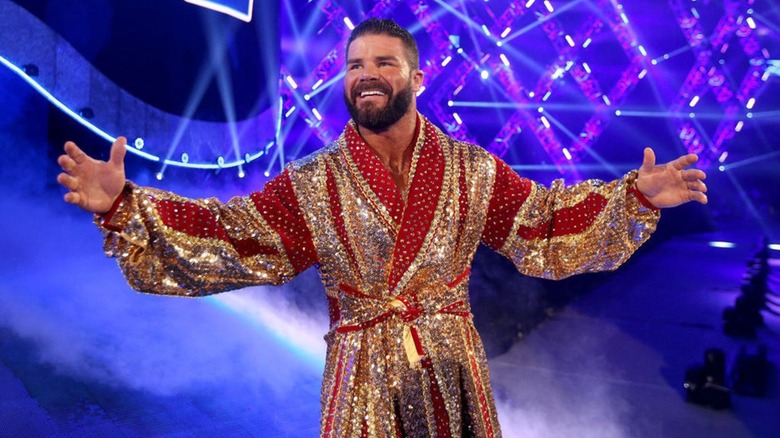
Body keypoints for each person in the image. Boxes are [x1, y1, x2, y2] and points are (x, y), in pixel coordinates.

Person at [57, 18, 707, 438]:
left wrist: (632, 200)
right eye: (355, 65)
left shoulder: (470, 169)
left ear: (417, 78)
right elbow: (235, 237)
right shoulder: (313, 182)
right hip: (360, 381)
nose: (366, 74)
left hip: (451, 370)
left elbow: (541, 226)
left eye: (384, 62)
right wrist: (126, 206)